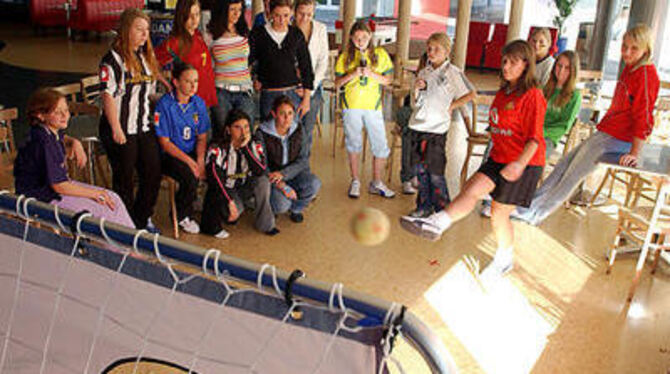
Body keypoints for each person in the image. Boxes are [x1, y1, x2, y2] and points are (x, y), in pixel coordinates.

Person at [401, 40, 547, 277]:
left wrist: (519, 164)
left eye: (512, 62)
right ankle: (436, 223)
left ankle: (504, 259)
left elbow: (535, 139)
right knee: (470, 189)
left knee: (499, 213)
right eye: (504, 61)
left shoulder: (533, 96)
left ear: (526, 64)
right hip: (499, 157)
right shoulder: (504, 92)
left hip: (524, 163)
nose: (505, 66)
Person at [514, 24, 660, 226]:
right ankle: (528, 206)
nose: (626, 52)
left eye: (633, 48)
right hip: (607, 132)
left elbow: (643, 116)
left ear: (646, 48)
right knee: (563, 167)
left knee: (572, 176)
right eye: (624, 46)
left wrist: (635, 152)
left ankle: (537, 213)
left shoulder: (646, 74)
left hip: (619, 139)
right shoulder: (631, 67)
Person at [14, 88, 134, 228]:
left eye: (66, 110)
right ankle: (120, 248)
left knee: (113, 198)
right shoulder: (43, 141)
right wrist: (95, 193)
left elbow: (61, 137)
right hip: (41, 198)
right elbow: (59, 186)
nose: (65, 115)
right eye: (58, 112)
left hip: (55, 190)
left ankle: (131, 243)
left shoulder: (48, 131)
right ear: (40, 115)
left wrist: (74, 141)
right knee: (99, 211)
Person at [99, 8, 163, 231]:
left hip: (142, 126)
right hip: (120, 127)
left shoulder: (145, 57)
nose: (145, 34)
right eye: (139, 29)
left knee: (153, 171)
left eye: (147, 30)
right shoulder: (112, 60)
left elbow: (148, 94)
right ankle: (123, 224)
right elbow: (107, 96)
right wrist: (116, 128)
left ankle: (141, 218)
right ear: (126, 30)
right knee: (124, 179)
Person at [404, 32, 476, 218]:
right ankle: (424, 206)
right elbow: (416, 103)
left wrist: (452, 106)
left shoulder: (453, 73)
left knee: (435, 172)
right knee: (420, 171)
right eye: (429, 48)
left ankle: (443, 209)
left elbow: (470, 94)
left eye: (437, 49)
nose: (432, 52)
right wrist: (417, 90)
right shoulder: (423, 72)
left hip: (436, 131)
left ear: (446, 51)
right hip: (418, 126)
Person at [335, 20, 395, 199]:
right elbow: (337, 83)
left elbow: (388, 80)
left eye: (364, 37)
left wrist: (371, 74)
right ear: (351, 38)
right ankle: (355, 180)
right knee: (353, 143)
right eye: (357, 38)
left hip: (373, 107)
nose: (360, 41)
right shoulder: (345, 57)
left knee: (380, 144)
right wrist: (353, 74)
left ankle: (377, 182)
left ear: (370, 37)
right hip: (351, 107)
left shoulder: (380, 54)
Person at [200, 109, 279, 238]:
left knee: (263, 181)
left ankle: (265, 224)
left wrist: (245, 148)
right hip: (227, 189)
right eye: (237, 127)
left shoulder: (255, 143)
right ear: (228, 129)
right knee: (231, 217)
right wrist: (229, 201)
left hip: (246, 185)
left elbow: (260, 170)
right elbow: (214, 176)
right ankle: (215, 205)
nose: (243, 132)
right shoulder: (217, 146)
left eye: (246, 127)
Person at [154, 63, 210, 234]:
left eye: (196, 81)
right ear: (176, 82)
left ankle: (206, 208)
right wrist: (191, 163)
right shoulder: (165, 104)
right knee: (189, 176)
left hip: (191, 150)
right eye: (188, 81)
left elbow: (202, 137)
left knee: (213, 167)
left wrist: (200, 160)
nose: (193, 86)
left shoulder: (198, 103)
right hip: (169, 154)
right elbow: (164, 142)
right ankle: (181, 215)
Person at [257, 96, 321, 222]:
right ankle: (275, 205)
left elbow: (303, 160)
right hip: (273, 179)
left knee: (314, 183)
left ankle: (296, 209)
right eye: (282, 113)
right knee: (281, 205)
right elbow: (261, 164)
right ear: (274, 114)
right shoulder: (262, 133)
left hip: (292, 174)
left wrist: (284, 174)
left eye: (290, 113)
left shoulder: (298, 129)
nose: (287, 118)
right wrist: (282, 185)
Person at [249, 0, 313, 122]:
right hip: (268, 94)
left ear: (291, 15)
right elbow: (249, 61)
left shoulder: (296, 35)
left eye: (286, 16)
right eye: (277, 15)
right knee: (268, 135)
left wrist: (307, 99)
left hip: (292, 94)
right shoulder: (258, 34)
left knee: (293, 136)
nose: (282, 20)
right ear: (270, 13)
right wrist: (253, 78)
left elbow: (306, 67)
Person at [155, 0, 218, 109]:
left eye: (197, 14)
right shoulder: (175, 42)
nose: (194, 20)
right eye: (189, 16)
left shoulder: (198, 36)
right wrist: (167, 84)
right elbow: (150, 63)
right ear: (181, 16)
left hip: (208, 98)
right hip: (189, 103)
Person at [208, 0, 255, 131]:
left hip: (244, 90)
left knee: (246, 132)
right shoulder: (211, 34)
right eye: (232, 9)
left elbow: (250, 60)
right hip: (221, 91)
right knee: (223, 131)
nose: (237, 14)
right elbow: (207, 64)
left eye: (239, 10)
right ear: (224, 10)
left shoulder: (245, 32)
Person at [293, 0, 329, 157]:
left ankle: (303, 167)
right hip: (291, 87)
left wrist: (309, 87)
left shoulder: (321, 29)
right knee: (291, 131)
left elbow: (323, 62)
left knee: (306, 133)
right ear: (295, 12)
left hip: (313, 88)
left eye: (309, 14)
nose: (305, 18)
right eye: (301, 14)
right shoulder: (288, 29)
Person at [542, 50, 582, 157]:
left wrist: (541, 133)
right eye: (559, 66)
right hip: (532, 132)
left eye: (567, 68)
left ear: (573, 71)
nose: (561, 70)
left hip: (549, 138)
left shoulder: (575, 96)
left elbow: (563, 126)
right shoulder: (544, 88)